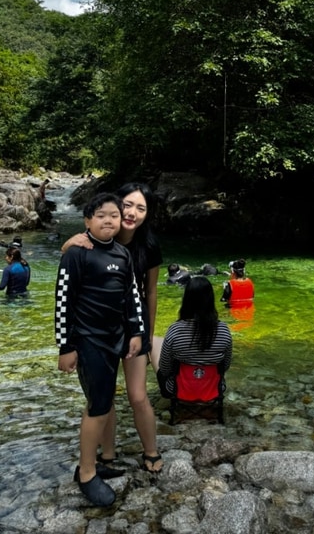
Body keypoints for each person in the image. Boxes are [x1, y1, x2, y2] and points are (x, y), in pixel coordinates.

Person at [61, 181, 163, 475]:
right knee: (104, 396)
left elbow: (151, 291)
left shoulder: (148, 245)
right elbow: (70, 262)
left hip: (134, 326)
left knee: (138, 395)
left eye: (140, 208)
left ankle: (151, 451)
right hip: (98, 328)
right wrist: (68, 243)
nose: (132, 213)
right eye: (127, 206)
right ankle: (106, 455)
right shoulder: (98, 235)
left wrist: (146, 333)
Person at [55, 193, 144, 507]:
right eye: (102, 215)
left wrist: (137, 331)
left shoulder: (122, 254)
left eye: (114, 215)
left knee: (106, 400)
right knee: (98, 404)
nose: (109, 221)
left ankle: (104, 460)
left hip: (117, 338)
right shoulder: (77, 253)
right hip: (88, 340)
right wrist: (65, 346)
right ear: (87, 221)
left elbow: (132, 296)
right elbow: (63, 301)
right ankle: (86, 472)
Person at [156, 276, 233, 398]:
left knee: (155, 342)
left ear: (186, 300)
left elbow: (165, 369)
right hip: (213, 391)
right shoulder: (223, 330)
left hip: (178, 390)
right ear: (211, 300)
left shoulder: (175, 330)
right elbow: (225, 366)